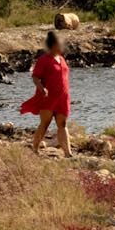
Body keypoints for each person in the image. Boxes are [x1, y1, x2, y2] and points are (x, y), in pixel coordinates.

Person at [20, 28, 72, 157]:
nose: (62, 46)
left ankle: (68, 153)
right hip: (48, 97)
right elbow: (35, 76)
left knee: (62, 124)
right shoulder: (44, 59)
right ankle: (35, 149)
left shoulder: (61, 59)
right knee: (45, 124)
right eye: (60, 44)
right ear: (53, 45)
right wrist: (41, 88)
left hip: (62, 97)